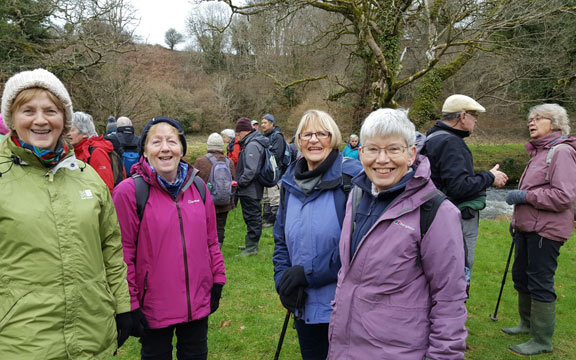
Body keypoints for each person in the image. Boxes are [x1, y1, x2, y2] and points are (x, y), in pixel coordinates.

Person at [0, 68, 132, 357]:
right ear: (11, 118)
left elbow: (110, 247)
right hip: (21, 341)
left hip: (93, 334)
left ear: (64, 119)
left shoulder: (87, 177)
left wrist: (122, 307)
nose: (40, 120)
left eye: (51, 110)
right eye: (28, 110)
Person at [327, 108, 468, 360]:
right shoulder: (356, 195)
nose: (382, 159)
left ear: (411, 153)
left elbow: (450, 299)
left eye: (393, 149)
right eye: (373, 149)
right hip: (345, 346)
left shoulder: (436, 212)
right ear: (361, 153)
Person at [113, 117, 226, 360]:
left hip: (196, 302)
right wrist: (129, 303)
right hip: (153, 306)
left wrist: (217, 279)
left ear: (182, 148)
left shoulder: (198, 187)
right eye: (156, 142)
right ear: (145, 150)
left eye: (172, 141)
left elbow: (211, 241)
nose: (165, 148)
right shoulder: (129, 192)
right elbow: (122, 254)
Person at [273, 110, 361, 359]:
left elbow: (358, 246)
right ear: (299, 141)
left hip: (344, 307)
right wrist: (283, 281)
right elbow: (280, 240)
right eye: (307, 134)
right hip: (304, 306)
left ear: (333, 139)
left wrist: (307, 274)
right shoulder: (289, 182)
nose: (314, 140)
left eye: (321, 133)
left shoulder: (351, 179)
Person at [502, 104, 576, 356]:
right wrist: (517, 222)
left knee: (540, 281)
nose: (531, 123)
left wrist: (525, 195)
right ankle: (526, 324)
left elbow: (563, 196)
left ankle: (542, 340)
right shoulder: (540, 151)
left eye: (537, 119)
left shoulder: (561, 152)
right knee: (522, 276)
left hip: (547, 230)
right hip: (527, 228)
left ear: (554, 123)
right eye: (530, 119)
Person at [422, 94, 508, 285]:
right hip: (456, 217)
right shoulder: (451, 143)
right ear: (462, 116)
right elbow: (459, 187)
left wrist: (486, 175)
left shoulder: (433, 136)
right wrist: (490, 177)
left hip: (434, 216)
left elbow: (449, 178)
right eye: (473, 115)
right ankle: (456, 306)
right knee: (459, 269)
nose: (476, 120)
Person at [194, 133, 236, 248]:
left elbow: (194, 182)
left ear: (208, 146)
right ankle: (218, 248)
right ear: (222, 146)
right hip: (224, 201)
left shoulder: (200, 161)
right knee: (220, 225)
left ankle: (204, 247)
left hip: (206, 202)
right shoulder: (229, 162)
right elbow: (233, 181)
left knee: (205, 225)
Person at [235, 117, 269, 256]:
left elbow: (251, 170)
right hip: (251, 188)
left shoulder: (252, 145)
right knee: (250, 216)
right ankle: (250, 243)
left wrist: (240, 183)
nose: (237, 137)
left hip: (250, 189)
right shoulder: (251, 142)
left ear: (244, 131)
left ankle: (252, 247)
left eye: (238, 133)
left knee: (253, 216)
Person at [68, 111, 117, 193]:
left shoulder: (97, 153)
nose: (67, 134)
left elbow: (105, 189)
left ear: (85, 133)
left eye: (72, 130)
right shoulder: (75, 151)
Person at [260, 113, 286, 227]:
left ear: (272, 124)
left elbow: (277, 154)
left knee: (274, 195)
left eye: (265, 123)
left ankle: (273, 219)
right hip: (265, 170)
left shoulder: (277, 136)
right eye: (262, 123)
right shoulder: (265, 136)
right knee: (266, 195)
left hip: (275, 171)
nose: (262, 125)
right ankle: (266, 216)